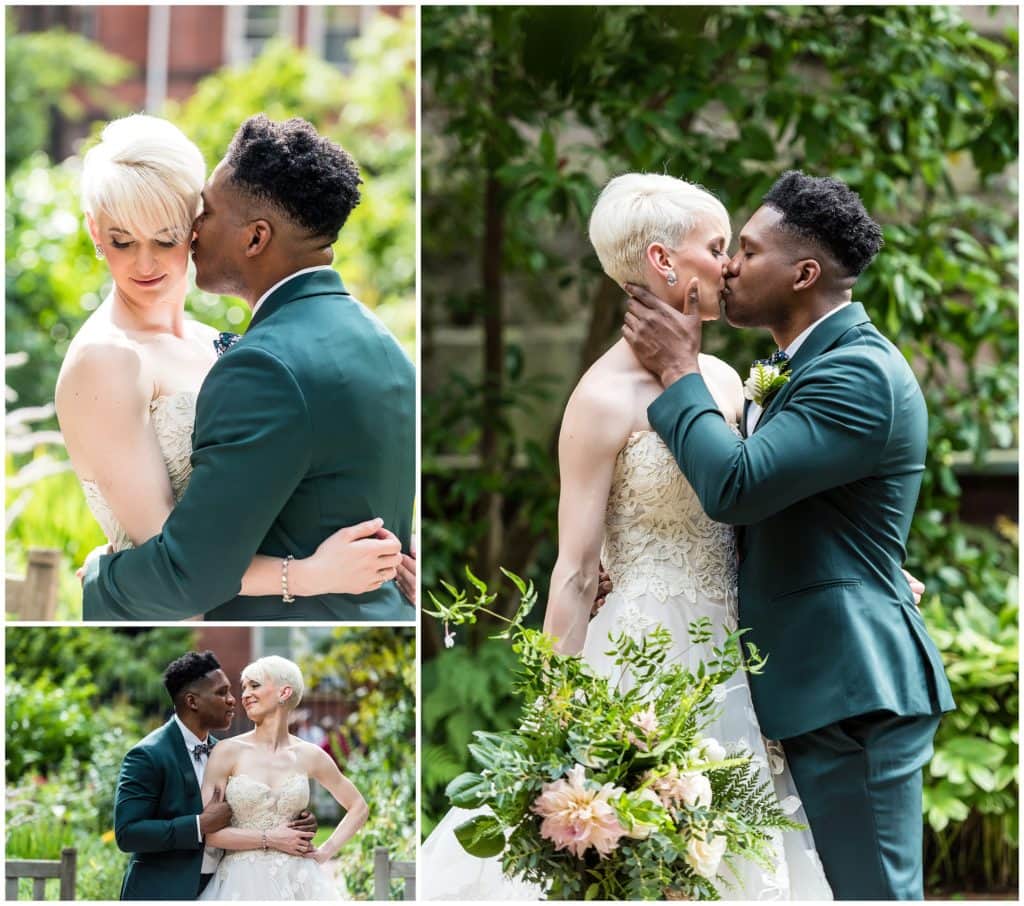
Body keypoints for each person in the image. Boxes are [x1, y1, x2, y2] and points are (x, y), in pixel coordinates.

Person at [422, 174, 832, 899]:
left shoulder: (728, 379)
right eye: (716, 246)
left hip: (741, 653)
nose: (731, 263)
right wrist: (550, 715)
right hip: (642, 664)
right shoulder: (600, 400)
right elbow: (577, 572)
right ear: (663, 261)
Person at [621, 170, 955, 899]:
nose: (729, 266)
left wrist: (677, 368)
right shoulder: (796, 367)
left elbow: (737, 488)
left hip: (852, 691)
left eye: (746, 249)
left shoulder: (857, 372)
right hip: (809, 687)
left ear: (804, 273)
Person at [71, 114, 415, 621]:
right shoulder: (381, 341)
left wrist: (106, 577)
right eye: (124, 241)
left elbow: (184, 571)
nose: (149, 262)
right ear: (96, 232)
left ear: (255, 239)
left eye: (194, 220)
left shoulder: (248, 357)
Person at [113, 651, 317, 900]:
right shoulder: (148, 755)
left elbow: (248, 809)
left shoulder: (225, 753)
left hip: (223, 887)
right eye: (222, 693)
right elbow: (128, 833)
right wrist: (198, 825)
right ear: (192, 701)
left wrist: (295, 818)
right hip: (162, 891)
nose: (234, 700)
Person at [198, 656, 368, 900]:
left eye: (254, 685)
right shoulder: (227, 752)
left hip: (300, 881)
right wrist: (271, 839)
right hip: (242, 883)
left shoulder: (310, 755)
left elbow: (358, 807)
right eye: (244, 687)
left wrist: (324, 852)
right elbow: (210, 833)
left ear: (284, 692)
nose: (244, 694)